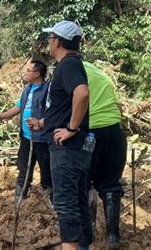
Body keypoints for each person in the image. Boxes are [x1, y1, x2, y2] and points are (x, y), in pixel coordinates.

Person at [42, 20, 92, 250]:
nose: (49, 42)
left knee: (65, 203)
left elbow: (81, 94)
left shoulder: (68, 64)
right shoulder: (71, 64)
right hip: (77, 146)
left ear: (58, 41)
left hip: (67, 149)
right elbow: (64, 106)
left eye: (50, 38)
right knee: (78, 200)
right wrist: (44, 122)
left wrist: (71, 129)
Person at [0, 60, 52, 204]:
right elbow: (18, 108)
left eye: (28, 70)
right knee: (24, 168)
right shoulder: (27, 89)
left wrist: (40, 123)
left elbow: (53, 112)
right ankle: (20, 197)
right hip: (26, 137)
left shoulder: (48, 90)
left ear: (37, 74)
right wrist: (0, 116)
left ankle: (50, 199)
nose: (26, 73)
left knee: (46, 170)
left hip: (41, 138)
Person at [83, 61, 127, 249]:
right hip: (116, 133)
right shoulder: (102, 74)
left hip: (91, 133)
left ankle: (88, 228)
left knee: (84, 181)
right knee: (110, 184)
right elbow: (118, 107)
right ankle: (112, 236)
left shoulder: (72, 71)